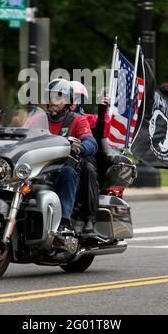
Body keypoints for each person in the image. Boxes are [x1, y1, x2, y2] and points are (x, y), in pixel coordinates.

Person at [46, 79, 98, 235]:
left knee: (68, 172)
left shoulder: (77, 120)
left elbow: (91, 142)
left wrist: (81, 147)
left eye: (59, 96)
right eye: (51, 96)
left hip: (63, 167)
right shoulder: (39, 119)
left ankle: (64, 222)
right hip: (39, 168)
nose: (53, 100)